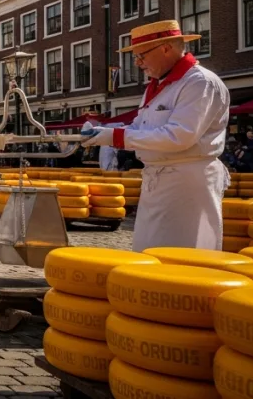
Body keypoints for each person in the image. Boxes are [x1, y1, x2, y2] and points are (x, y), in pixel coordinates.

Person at [81, 20, 230, 252]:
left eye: (141, 55)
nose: (138, 63)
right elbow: (143, 126)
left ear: (166, 48)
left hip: (186, 181)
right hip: (158, 178)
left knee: (184, 250)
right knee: (149, 248)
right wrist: (109, 132)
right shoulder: (160, 86)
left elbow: (180, 136)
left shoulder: (199, 83)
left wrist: (116, 137)